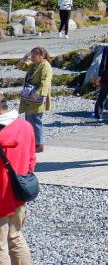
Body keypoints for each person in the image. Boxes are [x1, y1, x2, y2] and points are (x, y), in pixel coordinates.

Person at [0, 92, 35, 264]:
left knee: (0, 247)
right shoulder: (25, 126)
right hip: (18, 193)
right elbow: (31, 160)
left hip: (1, 197)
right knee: (15, 237)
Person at [19, 47, 52, 154]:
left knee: (36, 121)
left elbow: (45, 82)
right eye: (31, 56)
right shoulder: (34, 65)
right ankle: (33, 143)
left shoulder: (46, 67)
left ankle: (40, 144)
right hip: (29, 97)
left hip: (37, 98)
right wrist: (24, 58)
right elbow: (20, 66)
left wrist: (37, 95)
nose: (32, 58)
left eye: (34, 56)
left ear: (41, 56)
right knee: (29, 120)